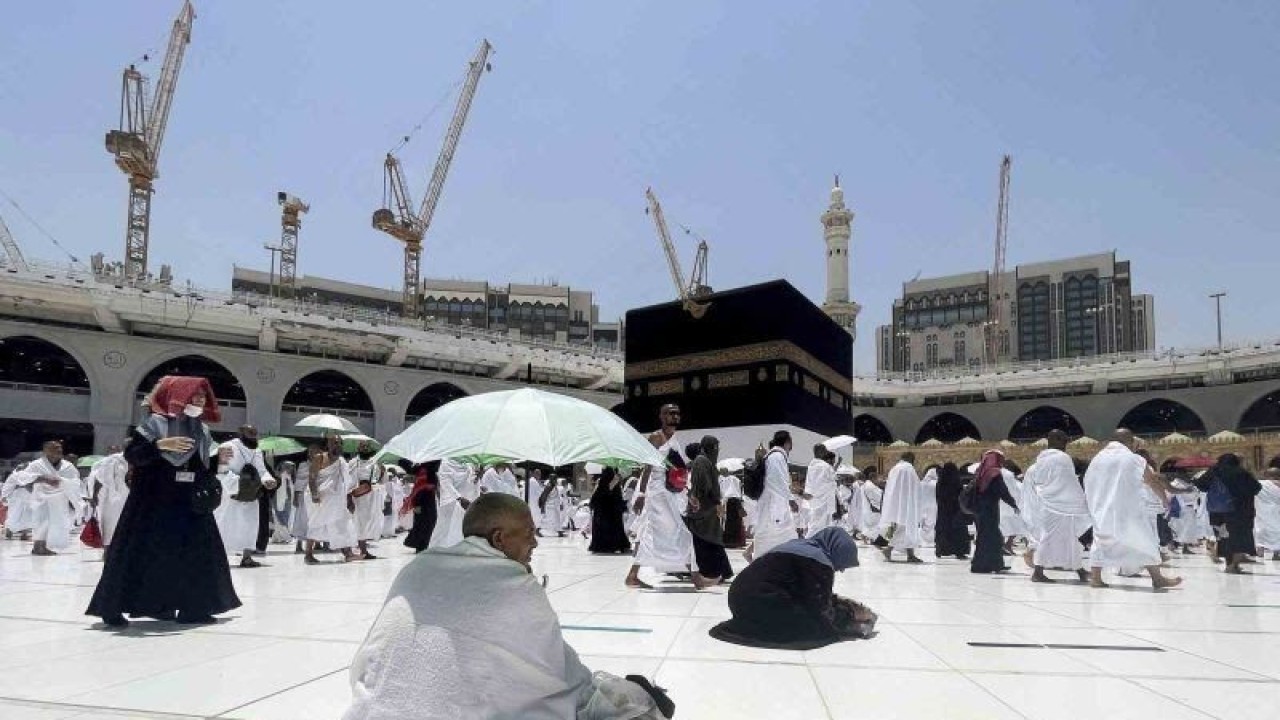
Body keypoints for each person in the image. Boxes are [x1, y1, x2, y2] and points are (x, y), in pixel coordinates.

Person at [344, 493, 670, 720]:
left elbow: (369, 658)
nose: (535, 542)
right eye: (529, 533)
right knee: (633, 703)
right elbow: (561, 676)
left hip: (374, 711)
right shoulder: (515, 585)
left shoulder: (417, 567)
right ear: (499, 539)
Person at [86, 376, 241, 627]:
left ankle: (192, 608)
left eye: (203, 395)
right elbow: (134, 455)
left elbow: (198, 467)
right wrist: (159, 445)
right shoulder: (155, 424)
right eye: (194, 394)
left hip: (189, 505)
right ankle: (113, 609)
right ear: (177, 396)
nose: (201, 399)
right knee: (140, 553)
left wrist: (217, 460)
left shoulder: (200, 429)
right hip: (153, 503)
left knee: (197, 554)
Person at [709, 527, 876, 650]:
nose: (841, 570)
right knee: (814, 628)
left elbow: (804, 591)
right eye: (842, 563)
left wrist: (840, 602)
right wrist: (851, 616)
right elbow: (820, 609)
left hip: (740, 600)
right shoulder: (819, 561)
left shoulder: (799, 546)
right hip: (760, 603)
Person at [1084, 430, 1182, 590]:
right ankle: (1157, 579)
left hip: (1102, 508)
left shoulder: (1097, 459)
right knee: (1145, 540)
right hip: (1128, 509)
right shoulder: (1133, 458)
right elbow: (1151, 481)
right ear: (1129, 441)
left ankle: (1096, 578)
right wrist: (1164, 499)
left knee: (1101, 540)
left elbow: (1089, 482)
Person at [625, 404, 696, 589]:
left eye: (677, 413)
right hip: (657, 494)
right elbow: (647, 467)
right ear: (662, 416)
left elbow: (677, 472)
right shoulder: (656, 437)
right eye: (670, 413)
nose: (675, 416)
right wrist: (641, 493)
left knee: (659, 533)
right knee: (680, 532)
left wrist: (688, 493)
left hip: (670, 494)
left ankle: (632, 575)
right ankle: (696, 577)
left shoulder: (675, 440)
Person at [1022, 431, 1092, 582]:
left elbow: (1040, 482)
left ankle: (1079, 570)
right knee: (1049, 538)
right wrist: (1081, 500)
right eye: (1064, 440)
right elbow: (1068, 482)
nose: (1065, 444)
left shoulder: (1041, 459)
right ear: (1058, 440)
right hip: (1060, 506)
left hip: (1047, 505)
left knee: (1069, 539)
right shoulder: (1062, 458)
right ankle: (1038, 572)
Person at [215, 426, 276, 568]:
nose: (254, 436)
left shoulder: (257, 451)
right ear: (241, 434)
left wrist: (268, 480)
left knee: (250, 524)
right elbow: (222, 469)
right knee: (225, 523)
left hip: (251, 493)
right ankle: (219, 557)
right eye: (250, 433)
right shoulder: (227, 446)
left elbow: (262, 470)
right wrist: (237, 484)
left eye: (255, 434)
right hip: (230, 493)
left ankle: (247, 558)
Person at [10, 440, 82, 555]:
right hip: (41, 498)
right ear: (46, 451)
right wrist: (44, 479)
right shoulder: (36, 464)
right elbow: (24, 478)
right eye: (55, 448)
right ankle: (38, 547)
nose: (59, 450)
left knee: (54, 523)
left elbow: (76, 481)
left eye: (60, 447)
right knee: (41, 521)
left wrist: (62, 481)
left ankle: (43, 546)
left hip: (59, 499)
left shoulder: (68, 466)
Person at [1200, 453, 1262, 574]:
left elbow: (1201, 485)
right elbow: (1256, 488)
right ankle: (1233, 565)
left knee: (1224, 538)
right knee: (1239, 537)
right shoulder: (1241, 473)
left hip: (1218, 512)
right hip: (1239, 512)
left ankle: (1229, 564)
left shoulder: (1213, 471)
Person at [685, 435, 733, 584]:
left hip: (707, 508)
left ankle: (719, 571)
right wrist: (714, 502)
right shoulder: (701, 461)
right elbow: (704, 486)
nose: (717, 450)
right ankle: (714, 572)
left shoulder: (705, 461)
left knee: (710, 539)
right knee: (705, 539)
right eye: (715, 447)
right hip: (703, 508)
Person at [304, 435, 357, 564]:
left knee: (342, 523)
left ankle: (348, 553)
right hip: (321, 498)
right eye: (334, 442)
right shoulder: (320, 457)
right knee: (316, 524)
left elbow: (346, 483)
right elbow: (312, 478)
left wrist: (349, 499)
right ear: (328, 444)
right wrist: (314, 494)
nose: (337, 445)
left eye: (339, 443)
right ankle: (308, 554)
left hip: (338, 499)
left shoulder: (342, 462)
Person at [750, 431, 797, 560]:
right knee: (768, 536)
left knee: (778, 536)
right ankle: (759, 564)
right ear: (787, 442)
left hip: (774, 504)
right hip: (773, 505)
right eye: (791, 441)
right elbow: (778, 481)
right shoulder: (777, 456)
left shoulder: (775, 456)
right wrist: (791, 499)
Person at [969, 450, 1018, 574]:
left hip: (979, 510)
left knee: (984, 537)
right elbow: (1002, 491)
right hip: (989, 511)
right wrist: (1013, 504)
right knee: (994, 537)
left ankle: (982, 564)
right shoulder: (994, 473)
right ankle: (993, 565)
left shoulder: (980, 472)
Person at [879, 452, 924, 563]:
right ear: (911, 459)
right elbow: (915, 487)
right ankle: (890, 550)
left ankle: (908, 554)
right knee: (907, 528)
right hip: (907, 505)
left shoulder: (894, 469)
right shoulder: (909, 469)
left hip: (895, 504)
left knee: (901, 528)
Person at [347, 442, 385, 560]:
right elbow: (348, 481)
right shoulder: (353, 463)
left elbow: (381, 480)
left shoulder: (375, 463)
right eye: (362, 446)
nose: (364, 448)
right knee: (358, 523)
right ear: (358, 449)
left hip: (372, 496)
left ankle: (363, 550)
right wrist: (349, 497)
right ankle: (360, 550)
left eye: (366, 447)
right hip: (358, 496)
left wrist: (382, 472)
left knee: (369, 523)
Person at [88, 448, 130, 549]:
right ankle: (107, 552)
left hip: (131, 498)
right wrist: (94, 496)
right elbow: (99, 479)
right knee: (110, 527)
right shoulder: (111, 461)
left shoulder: (141, 460)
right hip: (112, 499)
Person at [429, 459, 472, 548]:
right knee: (443, 529)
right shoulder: (446, 463)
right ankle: (435, 550)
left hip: (464, 502)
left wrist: (477, 477)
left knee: (459, 528)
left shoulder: (467, 464)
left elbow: (469, 482)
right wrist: (459, 498)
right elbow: (446, 483)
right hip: (449, 501)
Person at [588, 467, 631, 554]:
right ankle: (613, 545)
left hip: (603, 511)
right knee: (612, 527)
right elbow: (606, 492)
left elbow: (596, 496)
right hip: (609, 511)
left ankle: (606, 546)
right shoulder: (610, 481)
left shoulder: (602, 481)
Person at [933, 462, 971, 559]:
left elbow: (938, 496)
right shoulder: (957, 482)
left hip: (943, 511)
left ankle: (941, 549)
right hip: (956, 510)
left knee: (943, 530)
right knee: (958, 531)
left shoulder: (940, 482)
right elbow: (961, 496)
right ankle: (959, 552)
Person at [403, 461, 440, 553]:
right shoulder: (424, 472)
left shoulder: (428, 472)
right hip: (422, 502)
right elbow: (420, 490)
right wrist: (417, 504)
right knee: (422, 524)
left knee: (427, 523)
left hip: (429, 502)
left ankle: (422, 545)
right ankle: (420, 546)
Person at [803, 444, 839, 538]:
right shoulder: (825, 466)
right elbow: (832, 479)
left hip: (814, 499)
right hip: (824, 500)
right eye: (824, 451)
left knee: (816, 524)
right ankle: (808, 542)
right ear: (821, 452)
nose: (826, 452)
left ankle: (815, 542)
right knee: (820, 525)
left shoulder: (811, 465)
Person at [1255, 468, 1280, 560]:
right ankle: (1276, 553)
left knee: (1260, 530)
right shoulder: (1278, 485)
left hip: (1261, 511)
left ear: (1267, 475)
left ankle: (1260, 552)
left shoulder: (1259, 484)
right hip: (1276, 512)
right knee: (1277, 531)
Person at [720, 467, 747, 548]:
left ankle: (729, 541)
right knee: (737, 521)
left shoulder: (723, 480)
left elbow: (722, 492)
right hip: (736, 501)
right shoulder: (735, 479)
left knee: (728, 521)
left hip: (728, 501)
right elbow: (739, 489)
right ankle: (736, 541)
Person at [538, 471, 566, 538]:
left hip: (554, 506)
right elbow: (544, 496)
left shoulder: (554, 485)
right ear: (551, 479)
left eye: (556, 478)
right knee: (548, 520)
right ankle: (538, 529)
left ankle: (559, 531)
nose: (556, 480)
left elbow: (556, 496)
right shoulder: (549, 486)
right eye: (554, 479)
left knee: (557, 519)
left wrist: (560, 504)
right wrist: (542, 507)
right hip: (550, 506)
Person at [919, 465, 939, 546]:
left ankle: (922, 540)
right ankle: (930, 540)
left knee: (923, 523)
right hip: (933, 506)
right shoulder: (936, 483)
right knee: (931, 523)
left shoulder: (921, 483)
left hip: (922, 506)